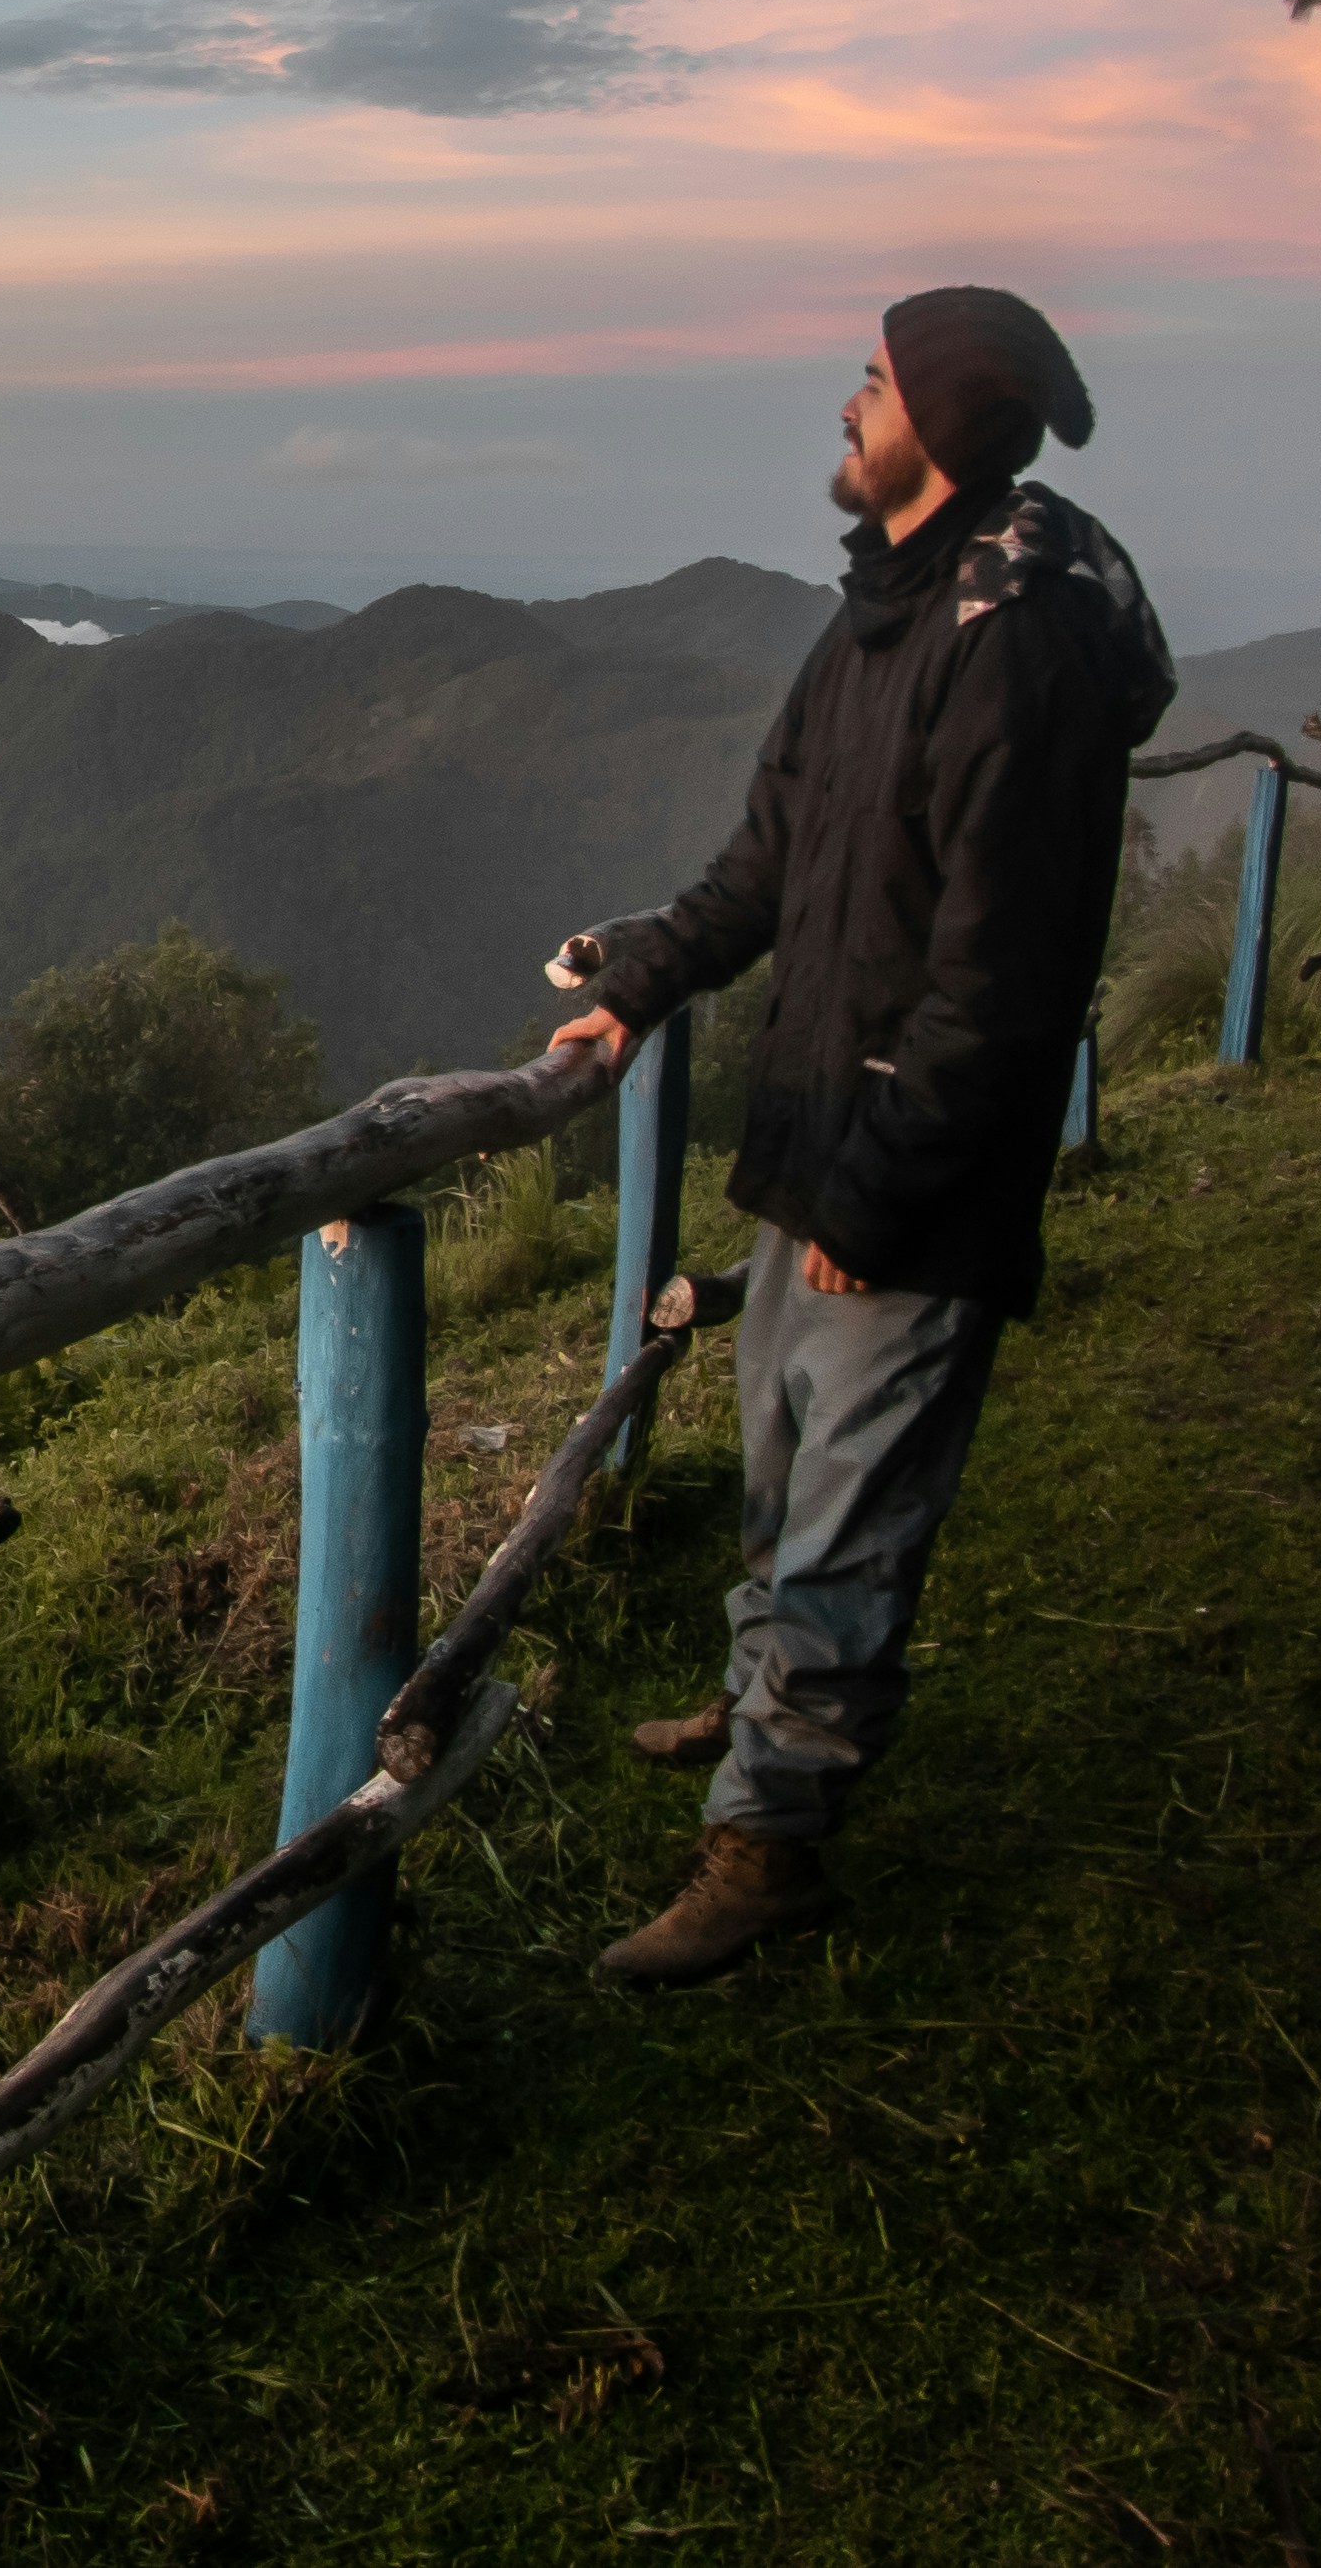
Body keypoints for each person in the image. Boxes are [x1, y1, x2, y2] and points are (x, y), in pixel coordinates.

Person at [548, 286, 1174, 1983]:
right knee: (780, 1461)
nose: (849, 402)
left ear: (942, 427)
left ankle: (769, 1845)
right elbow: (770, 855)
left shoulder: (1014, 650)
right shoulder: (882, 618)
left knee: (850, 1511)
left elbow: (1002, 976)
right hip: (821, 1135)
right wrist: (640, 984)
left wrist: (883, 1191)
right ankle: (761, 1707)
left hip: (908, 1176)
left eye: (875, 382)